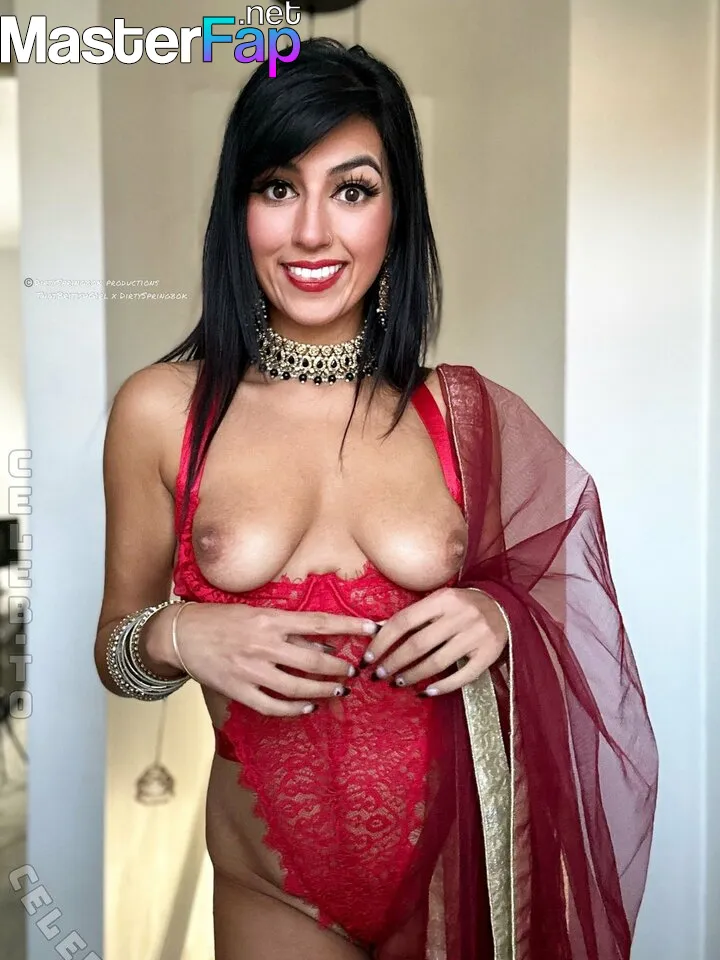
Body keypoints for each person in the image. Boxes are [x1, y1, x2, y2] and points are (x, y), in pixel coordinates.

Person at [94, 37, 658, 960]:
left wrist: (498, 612)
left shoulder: (462, 414)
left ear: (397, 215)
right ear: (238, 209)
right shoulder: (164, 410)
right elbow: (117, 653)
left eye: (352, 190)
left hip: (455, 878)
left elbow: (571, 600)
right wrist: (178, 633)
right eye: (279, 187)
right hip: (270, 891)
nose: (312, 231)